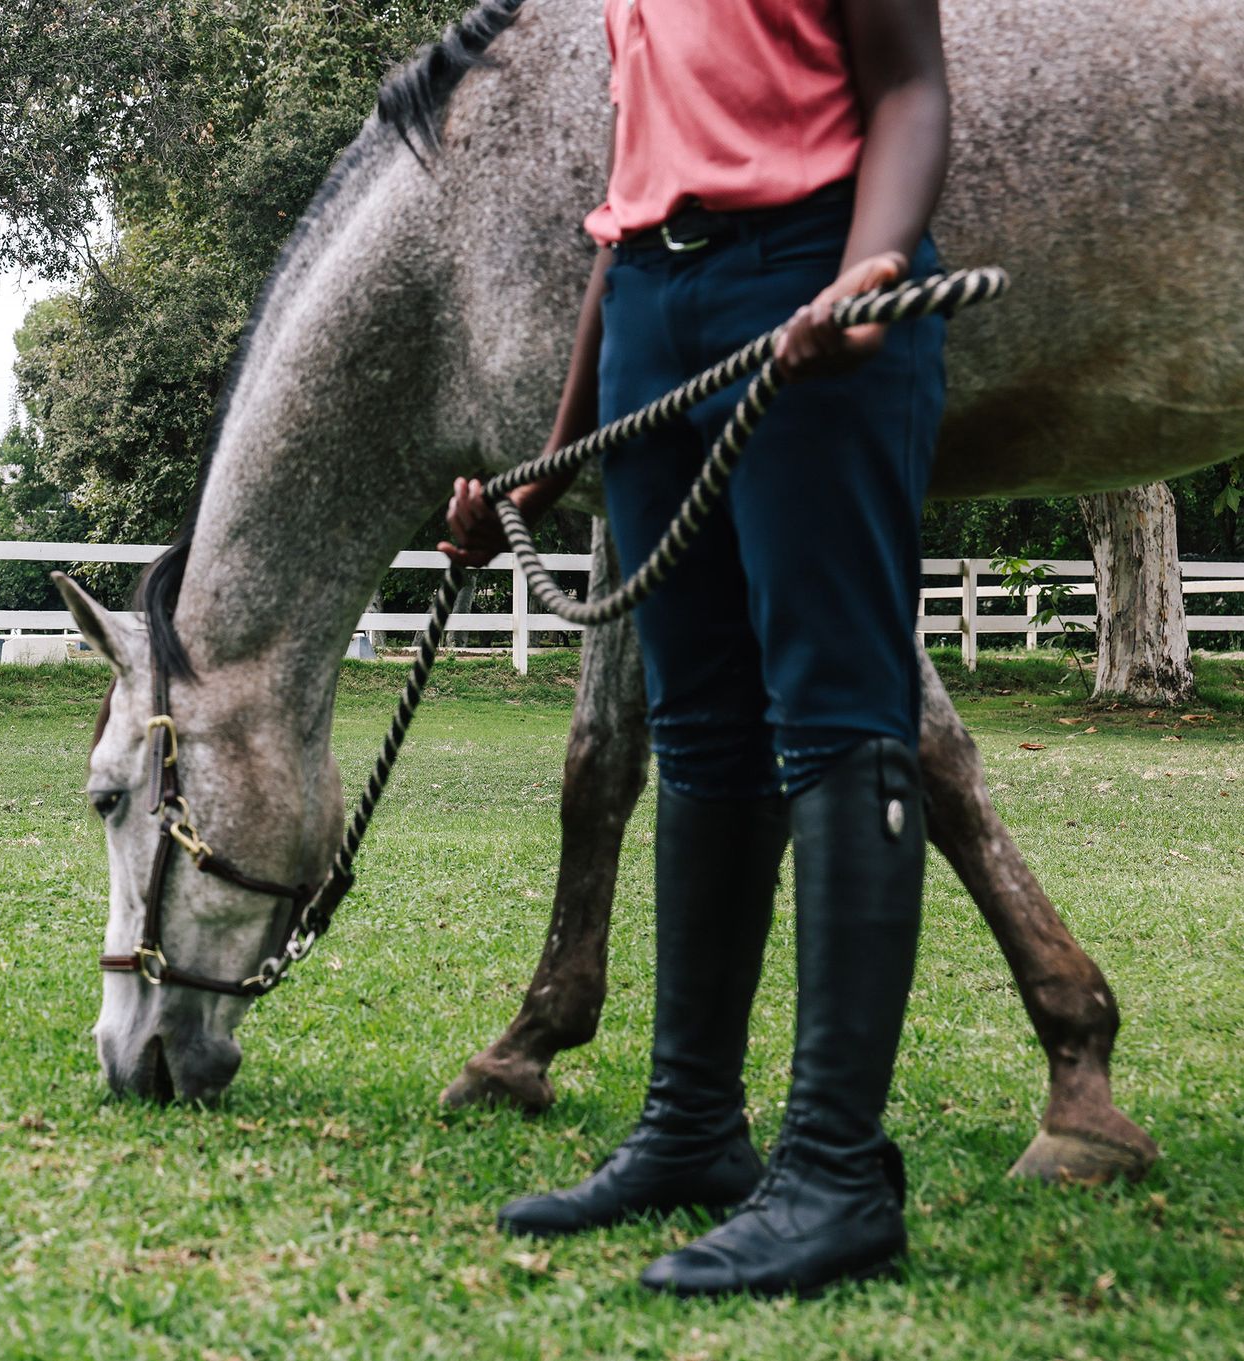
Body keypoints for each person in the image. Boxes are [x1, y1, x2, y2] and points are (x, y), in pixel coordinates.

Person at [445, 0, 951, 1297]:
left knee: (838, 712)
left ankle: (836, 1172)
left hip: (805, 275)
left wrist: (870, 270)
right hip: (653, 305)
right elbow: (632, 203)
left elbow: (908, 89)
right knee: (699, 731)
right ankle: (692, 1128)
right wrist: (549, 470)